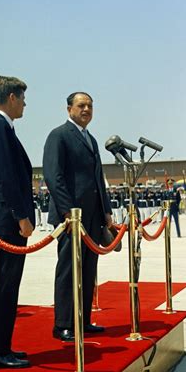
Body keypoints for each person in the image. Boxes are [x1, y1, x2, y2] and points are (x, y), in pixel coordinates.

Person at [43, 91, 113, 343]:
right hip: (71, 218)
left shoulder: (91, 139)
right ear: (69, 109)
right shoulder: (59, 136)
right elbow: (54, 177)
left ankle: (82, 320)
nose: (86, 109)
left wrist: (106, 210)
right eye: (81, 105)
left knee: (88, 271)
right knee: (68, 270)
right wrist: (67, 213)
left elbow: (98, 179)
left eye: (90, 106)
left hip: (92, 217)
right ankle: (63, 323)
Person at [0, 75, 35, 369]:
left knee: (8, 285)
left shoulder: (2, 128)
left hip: (8, 218)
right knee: (2, 285)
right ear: (11, 97)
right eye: (23, 98)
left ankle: (3, 346)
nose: (25, 104)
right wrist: (21, 216)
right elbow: (6, 177)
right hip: (7, 220)